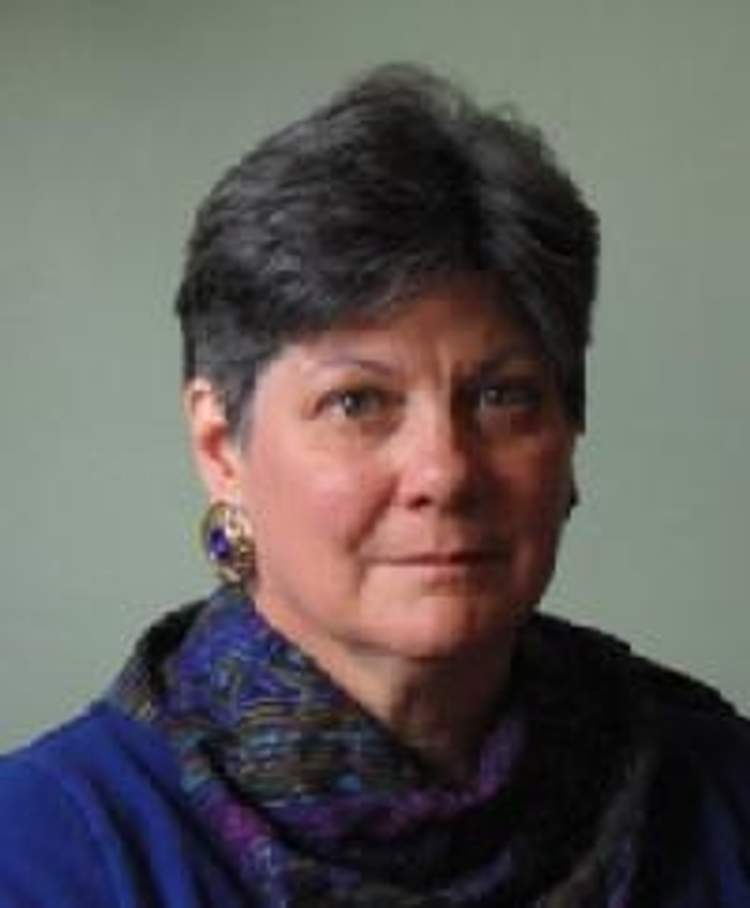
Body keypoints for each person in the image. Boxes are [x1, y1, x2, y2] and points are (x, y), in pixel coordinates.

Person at [1, 64, 749, 908]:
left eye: (503, 396)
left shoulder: (721, 798)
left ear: (570, 433)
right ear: (220, 447)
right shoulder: (39, 853)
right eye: (357, 402)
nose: (445, 472)